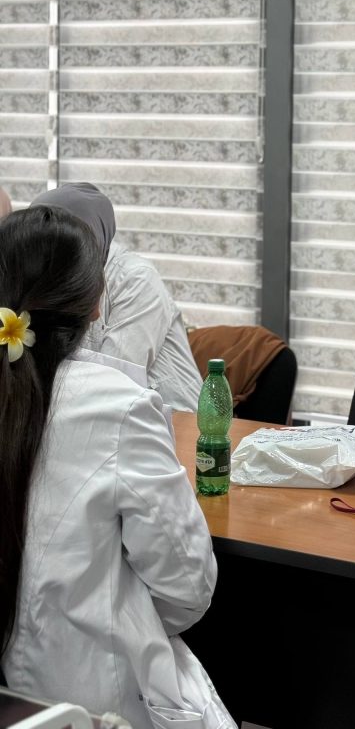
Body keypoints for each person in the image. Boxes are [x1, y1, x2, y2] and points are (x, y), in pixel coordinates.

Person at [0, 205, 234, 729]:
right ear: (95, 303)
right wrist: (122, 612)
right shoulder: (119, 405)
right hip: (93, 699)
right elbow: (186, 584)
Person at [30, 183, 201, 412]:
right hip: (88, 418)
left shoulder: (136, 279)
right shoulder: (43, 275)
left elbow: (111, 382)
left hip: (176, 422)